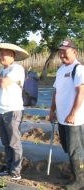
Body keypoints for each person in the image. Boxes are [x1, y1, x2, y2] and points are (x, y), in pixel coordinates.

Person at [0, 43, 29, 180]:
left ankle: (16, 171)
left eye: (3, 54)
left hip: (12, 110)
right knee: (6, 142)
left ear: (12, 55)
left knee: (14, 142)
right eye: (0, 54)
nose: (0, 57)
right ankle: (8, 165)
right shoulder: (1, 70)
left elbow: (3, 84)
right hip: (1, 111)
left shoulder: (17, 68)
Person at [49, 39, 84, 190]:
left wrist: (72, 113)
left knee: (76, 149)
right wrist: (52, 110)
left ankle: (80, 180)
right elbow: (56, 92)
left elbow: (81, 92)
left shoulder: (79, 69)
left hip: (73, 119)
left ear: (74, 52)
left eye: (65, 51)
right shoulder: (60, 69)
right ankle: (74, 173)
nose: (62, 54)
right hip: (62, 117)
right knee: (68, 147)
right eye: (60, 51)